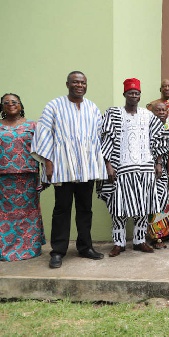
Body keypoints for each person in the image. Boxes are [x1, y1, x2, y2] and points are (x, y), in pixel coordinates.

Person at [32, 71, 107, 268]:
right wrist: (48, 163)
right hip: (63, 167)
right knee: (61, 209)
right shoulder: (54, 105)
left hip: (86, 168)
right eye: (75, 82)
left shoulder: (92, 107)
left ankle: (85, 247)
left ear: (86, 85)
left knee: (85, 209)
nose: (79, 85)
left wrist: (100, 165)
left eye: (83, 82)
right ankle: (57, 251)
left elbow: (100, 138)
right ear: (67, 84)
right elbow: (44, 133)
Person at [98, 78, 169, 257]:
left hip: (146, 168)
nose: (134, 96)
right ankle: (119, 243)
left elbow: (160, 139)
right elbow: (105, 139)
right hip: (122, 169)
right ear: (124, 94)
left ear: (140, 96)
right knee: (118, 208)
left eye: (137, 93)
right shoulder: (114, 113)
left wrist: (158, 163)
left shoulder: (147, 115)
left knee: (143, 206)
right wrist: (109, 165)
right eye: (131, 93)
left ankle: (140, 241)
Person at [0, 93, 45, 261]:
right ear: (2, 107)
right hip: (3, 179)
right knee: (4, 215)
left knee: (29, 213)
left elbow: (42, 151)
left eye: (14, 102)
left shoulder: (33, 125)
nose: (11, 104)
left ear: (20, 105)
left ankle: (29, 248)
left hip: (28, 177)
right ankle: (5, 250)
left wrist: (44, 176)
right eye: (6, 102)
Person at [147, 102, 169, 249]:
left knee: (166, 202)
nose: (161, 112)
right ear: (152, 112)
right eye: (157, 110)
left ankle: (167, 232)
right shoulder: (147, 129)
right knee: (154, 201)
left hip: (165, 171)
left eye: (164, 110)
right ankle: (155, 236)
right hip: (150, 170)